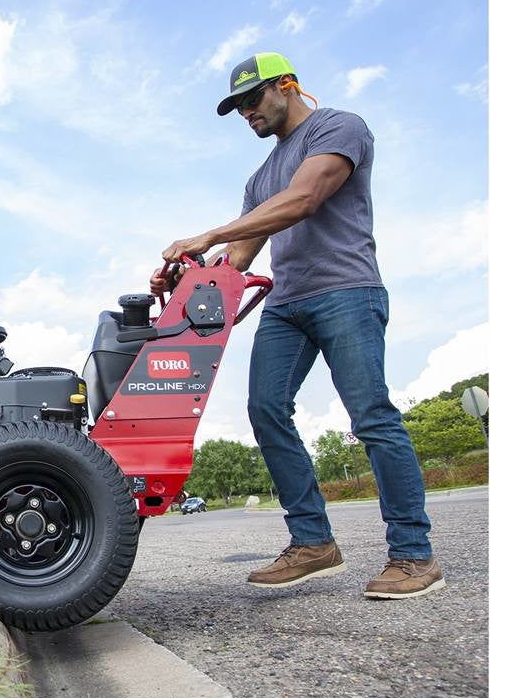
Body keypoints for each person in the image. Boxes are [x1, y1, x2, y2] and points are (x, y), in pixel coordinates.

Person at [151, 52, 442, 600]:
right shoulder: (260, 177)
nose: (246, 113)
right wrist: (184, 277)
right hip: (288, 305)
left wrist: (205, 235)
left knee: (372, 416)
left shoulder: (338, 127)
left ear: (287, 86)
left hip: (347, 292)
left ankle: (413, 554)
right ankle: (313, 542)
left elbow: (305, 199)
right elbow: (237, 258)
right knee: (264, 407)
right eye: (237, 107)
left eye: (252, 99)